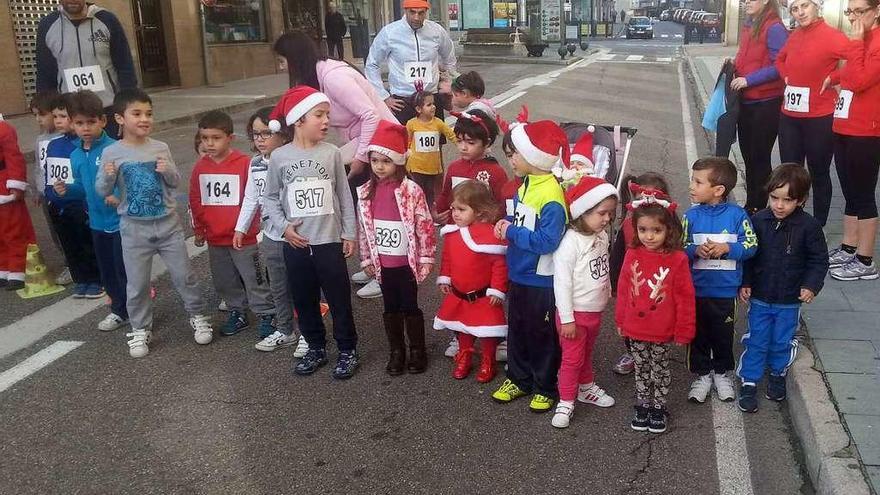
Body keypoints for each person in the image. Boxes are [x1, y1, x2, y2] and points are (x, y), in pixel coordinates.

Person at [273, 31, 398, 299]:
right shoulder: (320, 76)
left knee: (376, 213)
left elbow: (371, 116)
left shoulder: (333, 76)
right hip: (366, 144)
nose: (280, 67)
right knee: (363, 210)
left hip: (382, 146)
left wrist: (361, 158)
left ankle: (384, 273)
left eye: (282, 61)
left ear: (294, 59)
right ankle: (372, 264)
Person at [96, 88, 215, 358]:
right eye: (136, 113)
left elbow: (174, 182)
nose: (144, 119)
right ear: (120, 118)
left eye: (148, 113)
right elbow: (103, 190)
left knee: (184, 275)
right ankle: (140, 328)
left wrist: (168, 170)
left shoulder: (161, 147)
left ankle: (197, 315)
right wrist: (107, 176)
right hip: (133, 228)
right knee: (136, 283)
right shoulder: (112, 153)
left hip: (167, 225)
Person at [263, 85, 360, 380]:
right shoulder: (280, 157)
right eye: (319, 115)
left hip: (328, 241)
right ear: (298, 119)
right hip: (296, 243)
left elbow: (344, 195)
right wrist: (283, 227)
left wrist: (349, 233)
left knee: (339, 297)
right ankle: (316, 346)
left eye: (327, 115)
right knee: (304, 299)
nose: (326, 121)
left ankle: (347, 348)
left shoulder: (331, 153)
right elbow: (269, 197)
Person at [491, 117, 569, 414]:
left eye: (514, 154)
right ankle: (518, 379)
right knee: (518, 330)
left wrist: (511, 231)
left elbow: (547, 241)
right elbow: (525, 224)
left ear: (534, 157)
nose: (510, 159)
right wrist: (510, 225)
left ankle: (545, 385)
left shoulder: (550, 194)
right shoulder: (528, 185)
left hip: (541, 278)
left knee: (542, 334)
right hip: (520, 273)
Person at [739, 164, 829, 412]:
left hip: (789, 300)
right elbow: (748, 255)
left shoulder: (809, 227)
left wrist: (811, 285)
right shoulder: (758, 220)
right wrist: (745, 282)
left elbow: (819, 260)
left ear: (801, 200)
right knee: (756, 339)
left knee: (781, 340)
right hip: (760, 295)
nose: (779, 205)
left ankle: (778, 373)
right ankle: (749, 380)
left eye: (787, 200)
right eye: (774, 198)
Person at [357, 120, 436, 375]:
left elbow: (424, 224)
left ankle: (417, 350)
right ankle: (396, 351)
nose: (380, 166)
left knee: (409, 306)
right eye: (375, 160)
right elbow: (364, 229)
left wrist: (425, 257)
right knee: (390, 307)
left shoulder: (411, 190)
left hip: (405, 263)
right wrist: (367, 258)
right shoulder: (366, 191)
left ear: (399, 162)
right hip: (383, 263)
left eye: (386, 161)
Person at [189, 111, 276, 338]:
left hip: (243, 238)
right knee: (224, 279)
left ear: (230, 138)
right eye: (205, 138)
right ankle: (237, 311)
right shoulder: (201, 167)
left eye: (215, 138)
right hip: (215, 238)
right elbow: (195, 199)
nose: (209, 143)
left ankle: (267, 312)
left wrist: (248, 225)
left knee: (253, 277)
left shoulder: (244, 164)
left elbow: (254, 197)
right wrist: (199, 229)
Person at [683, 157, 758, 403]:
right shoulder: (690, 216)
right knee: (699, 335)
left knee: (723, 335)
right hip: (696, 290)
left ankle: (721, 373)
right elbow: (678, 246)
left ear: (718, 190)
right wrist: (694, 249)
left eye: (698, 182)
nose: (691, 186)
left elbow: (751, 245)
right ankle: (702, 375)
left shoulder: (738, 216)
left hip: (726, 292)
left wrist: (727, 248)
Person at [234, 107, 308, 356]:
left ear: (283, 134)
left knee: (303, 286)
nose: (260, 139)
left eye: (266, 133)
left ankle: (309, 332)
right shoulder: (255, 164)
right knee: (278, 287)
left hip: (296, 235)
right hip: (271, 236)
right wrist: (241, 227)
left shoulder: (292, 159)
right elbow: (251, 197)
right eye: (255, 134)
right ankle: (286, 330)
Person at [616, 200, 695, 434]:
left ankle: (659, 407)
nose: (649, 236)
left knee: (659, 368)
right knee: (641, 367)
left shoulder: (677, 259)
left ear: (669, 230)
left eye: (656, 230)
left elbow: (685, 297)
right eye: (643, 230)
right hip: (635, 327)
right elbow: (623, 290)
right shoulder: (632, 254)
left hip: (661, 328)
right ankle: (643, 404)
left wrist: (684, 329)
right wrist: (621, 320)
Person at [550, 176, 619, 429]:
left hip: (593, 311)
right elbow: (562, 283)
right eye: (602, 213)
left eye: (610, 213)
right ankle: (566, 400)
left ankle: (586, 388)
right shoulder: (570, 243)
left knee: (586, 354)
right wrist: (566, 318)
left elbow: (601, 269)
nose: (607, 219)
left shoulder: (600, 236)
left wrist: (607, 291)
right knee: (571, 359)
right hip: (574, 315)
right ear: (583, 211)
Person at [57, 90, 128, 330]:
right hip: (97, 223)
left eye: (91, 122)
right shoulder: (76, 155)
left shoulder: (115, 148)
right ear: (72, 124)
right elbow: (82, 187)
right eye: (79, 123)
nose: (85, 128)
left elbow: (126, 181)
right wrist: (67, 190)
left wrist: (118, 197)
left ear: (102, 121)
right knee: (107, 271)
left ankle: (137, 310)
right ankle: (118, 310)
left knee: (124, 270)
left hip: (120, 222)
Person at [775, 0, 849, 226]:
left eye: (804, 6)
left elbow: (858, 59)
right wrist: (786, 76)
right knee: (790, 172)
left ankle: (818, 225)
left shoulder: (832, 35)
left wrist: (834, 77)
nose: (800, 12)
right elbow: (780, 59)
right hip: (790, 117)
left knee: (819, 172)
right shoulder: (795, 35)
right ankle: (792, 220)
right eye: (795, 9)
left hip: (819, 117)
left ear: (817, 6)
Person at [827, 0, 880, 281]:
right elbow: (848, 73)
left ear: (877, 10)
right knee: (848, 191)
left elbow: (860, 80)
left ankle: (865, 259)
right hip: (845, 123)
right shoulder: (861, 39)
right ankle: (849, 247)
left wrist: (857, 42)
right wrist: (833, 76)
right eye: (850, 12)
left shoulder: (873, 41)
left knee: (863, 194)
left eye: (860, 11)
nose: (854, 18)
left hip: (867, 129)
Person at [434, 181, 508, 383]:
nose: (455, 214)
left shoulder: (489, 236)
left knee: (486, 331)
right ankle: (465, 355)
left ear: (479, 211)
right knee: (463, 327)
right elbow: (448, 258)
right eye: (453, 209)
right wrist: (445, 277)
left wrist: (497, 290)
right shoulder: (451, 234)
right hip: (459, 293)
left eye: (462, 209)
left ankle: (488, 360)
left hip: (483, 295)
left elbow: (499, 265)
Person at [35, 0, 137, 139]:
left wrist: (126, 108)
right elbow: (45, 72)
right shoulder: (47, 25)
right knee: (78, 159)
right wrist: (46, 113)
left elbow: (125, 66)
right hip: (69, 114)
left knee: (112, 158)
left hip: (107, 110)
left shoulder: (107, 20)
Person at [609, 172, 671, 376]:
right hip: (634, 286)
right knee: (630, 324)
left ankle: (655, 355)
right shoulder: (628, 226)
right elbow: (617, 256)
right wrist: (614, 283)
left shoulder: (668, 227)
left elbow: (677, 257)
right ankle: (634, 354)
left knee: (655, 322)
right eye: (640, 200)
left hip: (657, 287)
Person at [732, 0, 788, 214]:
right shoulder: (750, 23)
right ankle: (751, 203)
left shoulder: (774, 28)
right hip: (747, 101)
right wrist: (734, 65)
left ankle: (760, 205)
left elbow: (779, 65)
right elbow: (746, 56)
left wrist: (749, 80)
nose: (746, 2)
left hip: (766, 102)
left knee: (760, 157)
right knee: (748, 156)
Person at [45, 94, 103, 299]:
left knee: (86, 243)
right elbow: (49, 175)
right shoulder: (53, 145)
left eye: (63, 116)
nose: (58, 121)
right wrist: (50, 196)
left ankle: (96, 279)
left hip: (80, 205)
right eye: (55, 116)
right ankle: (81, 279)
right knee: (70, 245)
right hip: (58, 205)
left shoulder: (80, 146)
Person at [365, 0, 458, 125]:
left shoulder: (437, 31)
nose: (416, 17)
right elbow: (372, 64)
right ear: (405, 10)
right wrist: (383, 97)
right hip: (402, 101)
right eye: (412, 12)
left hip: (431, 99)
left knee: (433, 143)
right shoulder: (390, 32)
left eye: (421, 13)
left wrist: (447, 83)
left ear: (426, 11)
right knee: (403, 143)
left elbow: (449, 59)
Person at [434, 109, 508, 224]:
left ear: (487, 143)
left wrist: (492, 220)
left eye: (471, 143)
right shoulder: (454, 168)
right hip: (455, 228)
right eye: (459, 141)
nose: (463, 147)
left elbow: (502, 205)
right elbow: (446, 195)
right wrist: (437, 213)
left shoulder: (495, 172)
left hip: (483, 232)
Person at [28, 90, 71, 286]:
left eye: (42, 114)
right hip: (47, 193)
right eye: (35, 115)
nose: (39, 119)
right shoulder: (40, 140)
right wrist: (37, 190)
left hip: (65, 192)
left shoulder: (66, 138)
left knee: (73, 228)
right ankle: (68, 263)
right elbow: (38, 165)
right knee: (56, 231)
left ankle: (80, 263)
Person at [0, 119, 36, 291]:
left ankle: (18, 268)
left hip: (4, 186)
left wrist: (15, 185)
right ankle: (3, 267)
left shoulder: (4, 129)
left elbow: (14, 158)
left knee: (14, 229)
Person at [405, 91, 456, 211]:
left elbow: (451, 135)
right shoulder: (411, 124)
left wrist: (462, 144)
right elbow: (406, 142)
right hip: (416, 166)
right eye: (429, 105)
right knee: (416, 191)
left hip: (432, 166)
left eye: (433, 104)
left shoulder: (438, 123)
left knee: (430, 192)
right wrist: (405, 158)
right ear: (418, 109)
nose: (433, 107)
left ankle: (430, 214)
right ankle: (416, 213)